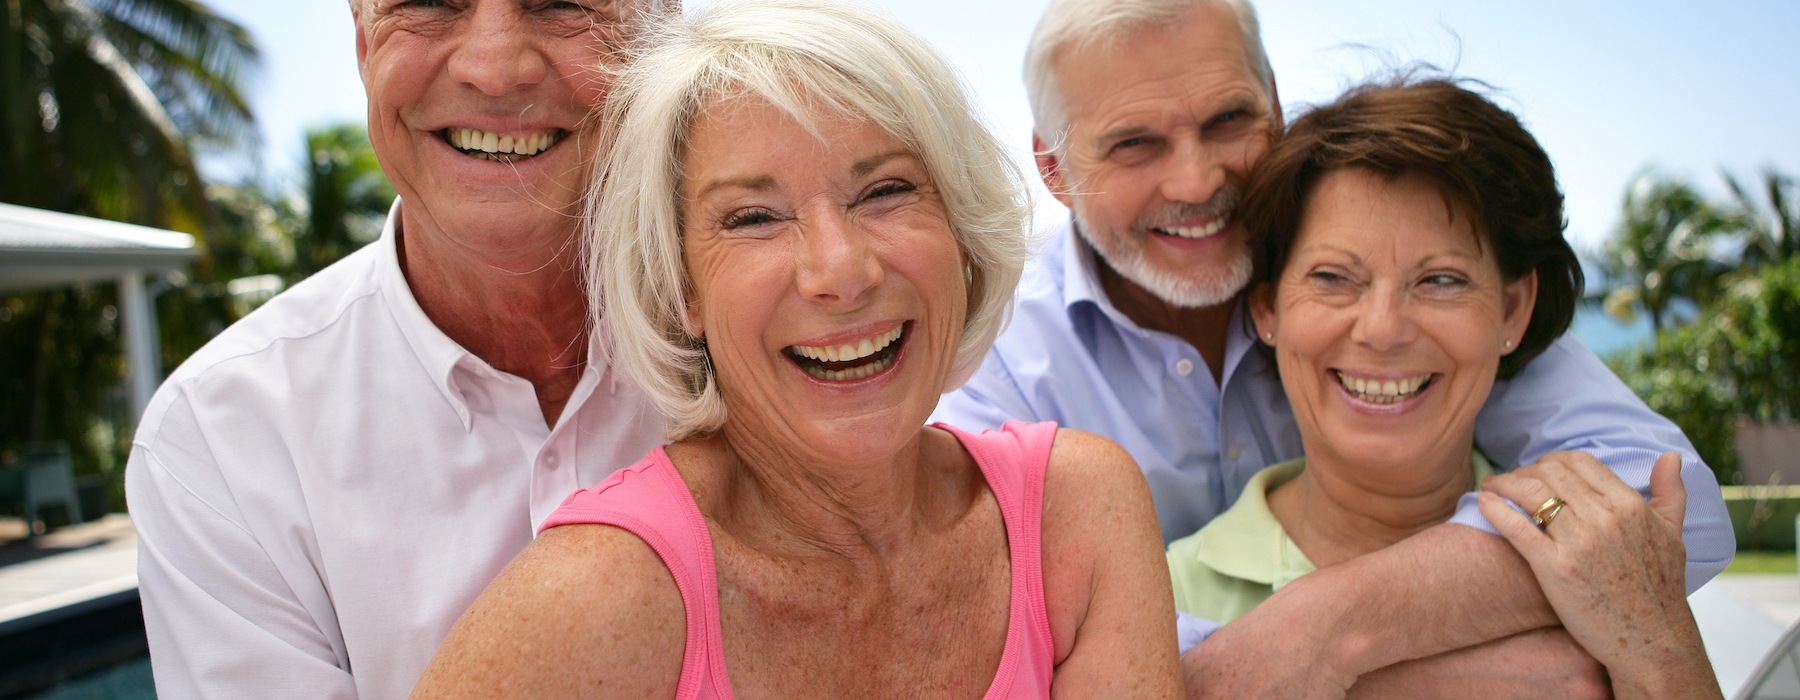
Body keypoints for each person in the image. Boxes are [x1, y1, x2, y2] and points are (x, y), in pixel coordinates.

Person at [927, 0, 1734, 694]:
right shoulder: (991, 357)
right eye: (1134, 143)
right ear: (1054, 168)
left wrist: (1338, 623)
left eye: (1228, 121)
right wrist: (1420, 680)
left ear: (1273, 106)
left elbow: (1667, 502)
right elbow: (998, 633)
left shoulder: (1380, 255)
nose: (1196, 181)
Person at [409, 1, 1183, 696]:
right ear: (681, 289)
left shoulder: (1075, 513)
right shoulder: (595, 598)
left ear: (962, 235)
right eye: (753, 218)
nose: (841, 271)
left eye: (886, 192)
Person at [123, 1, 671, 696]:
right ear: (362, 41)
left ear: (663, 28)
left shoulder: (793, 350)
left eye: (560, 1)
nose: (494, 70)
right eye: (430, 3)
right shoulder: (223, 441)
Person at [1165, 77, 1722, 697]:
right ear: (1267, 311)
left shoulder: (1610, 555)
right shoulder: (1164, 597)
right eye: (1332, 277)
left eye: (1442, 281)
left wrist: (1660, 658)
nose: (1381, 330)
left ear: (1513, 311)